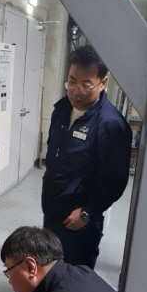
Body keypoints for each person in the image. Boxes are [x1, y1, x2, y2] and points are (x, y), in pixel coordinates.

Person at [42, 45, 132, 269]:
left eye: (85, 84)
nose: (76, 90)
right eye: (72, 81)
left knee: (75, 274)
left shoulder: (111, 125)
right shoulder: (62, 110)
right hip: (52, 210)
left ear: (103, 82)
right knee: (50, 269)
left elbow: (115, 181)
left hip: (79, 221)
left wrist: (86, 213)